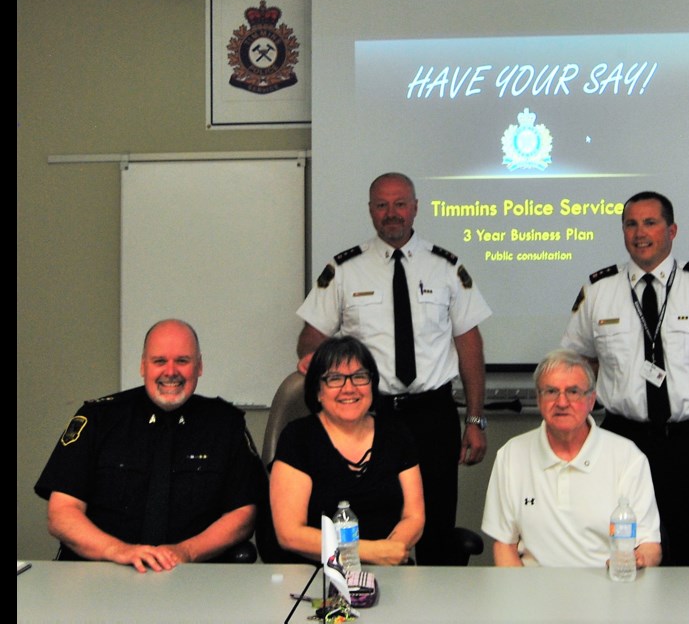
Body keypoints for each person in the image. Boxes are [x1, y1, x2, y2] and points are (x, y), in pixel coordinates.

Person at [295, 172, 492, 565]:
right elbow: (309, 340)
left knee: (436, 523)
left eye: (400, 203)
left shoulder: (446, 267)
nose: (392, 213)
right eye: (382, 205)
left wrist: (475, 418)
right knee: (370, 518)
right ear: (370, 210)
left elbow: (469, 345)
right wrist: (319, 371)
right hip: (370, 416)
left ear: (416, 207)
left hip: (432, 414)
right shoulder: (344, 269)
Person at [561, 190, 689, 566]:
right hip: (624, 437)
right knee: (625, 543)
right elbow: (581, 360)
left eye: (650, 223)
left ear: (672, 230)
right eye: (631, 224)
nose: (640, 233)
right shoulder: (598, 290)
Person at [34, 319, 267, 573]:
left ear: (199, 366)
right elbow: (62, 513)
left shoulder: (225, 424)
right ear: (143, 366)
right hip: (102, 573)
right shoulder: (98, 419)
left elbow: (243, 514)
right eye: (159, 361)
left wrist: (186, 552)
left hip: (195, 578)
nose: (170, 372)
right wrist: (118, 551)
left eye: (182, 361)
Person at [482, 349, 661, 568]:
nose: (562, 402)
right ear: (538, 399)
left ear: (591, 400)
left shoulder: (627, 457)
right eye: (551, 391)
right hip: (533, 592)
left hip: (607, 590)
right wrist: (521, 597)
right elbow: (504, 545)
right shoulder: (511, 455)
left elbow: (649, 546)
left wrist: (638, 560)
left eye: (573, 392)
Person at [270, 336, 424, 565]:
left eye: (359, 377)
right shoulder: (297, 438)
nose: (349, 388)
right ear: (318, 391)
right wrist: (369, 552)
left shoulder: (396, 434)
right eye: (335, 379)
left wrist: (391, 552)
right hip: (316, 576)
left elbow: (414, 515)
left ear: (372, 384)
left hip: (389, 570)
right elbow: (290, 534)